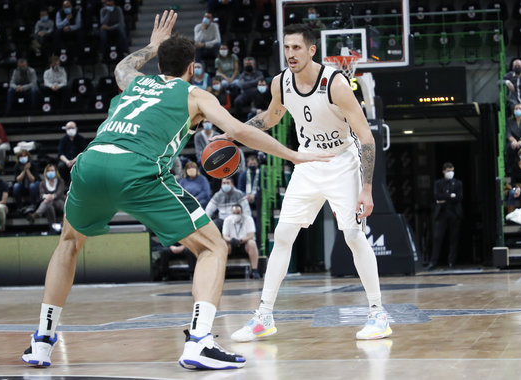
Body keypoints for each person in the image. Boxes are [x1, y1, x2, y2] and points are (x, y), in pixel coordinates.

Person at [19, 10, 330, 371]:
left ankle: (42, 340)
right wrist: (293, 154)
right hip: (136, 168)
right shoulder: (196, 95)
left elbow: (122, 66)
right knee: (213, 246)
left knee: (69, 243)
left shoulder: (132, 81)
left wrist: (151, 46)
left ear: (158, 62)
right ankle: (199, 342)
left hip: (91, 162)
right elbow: (240, 132)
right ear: (192, 67)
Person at [230, 24, 392, 343]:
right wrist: (234, 131)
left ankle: (378, 314)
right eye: (287, 48)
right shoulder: (281, 82)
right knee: (283, 234)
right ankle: (263, 316)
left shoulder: (336, 84)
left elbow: (367, 137)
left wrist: (367, 187)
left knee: (353, 235)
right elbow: (271, 117)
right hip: (306, 162)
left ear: (311, 50)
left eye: (296, 48)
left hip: (342, 162)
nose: (290, 54)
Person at [427, 162, 463, 270]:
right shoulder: (438, 183)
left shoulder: (458, 183)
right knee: (437, 238)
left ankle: (452, 262)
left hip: (454, 214)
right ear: (443, 171)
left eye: (452, 170)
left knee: (453, 239)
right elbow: (437, 196)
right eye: (448, 171)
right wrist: (450, 196)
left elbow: (459, 198)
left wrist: (445, 199)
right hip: (441, 214)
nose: (450, 173)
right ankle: (433, 262)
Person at [222, 204, 260, 279]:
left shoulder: (248, 219)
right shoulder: (227, 220)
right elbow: (224, 236)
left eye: (238, 213)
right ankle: (221, 271)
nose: (236, 215)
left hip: (244, 243)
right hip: (232, 244)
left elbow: (251, 235)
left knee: (252, 243)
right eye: (234, 213)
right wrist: (231, 240)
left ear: (242, 212)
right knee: (223, 244)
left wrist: (242, 240)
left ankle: (255, 270)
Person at [27, 164, 66, 233]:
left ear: (56, 171)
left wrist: (52, 196)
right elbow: (41, 194)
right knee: (49, 205)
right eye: (49, 171)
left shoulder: (60, 181)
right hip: (48, 203)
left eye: (52, 170)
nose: (50, 172)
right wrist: (46, 196)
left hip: (59, 202)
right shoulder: (43, 183)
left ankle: (35, 215)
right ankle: (53, 226)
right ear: (46, 172)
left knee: (48, 202)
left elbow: (59, 193)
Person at [57, 121, 88, 185]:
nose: (71, 130)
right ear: (66, 129)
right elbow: (60, 154)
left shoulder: (81, 139)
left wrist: (73, 161)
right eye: (69, 128)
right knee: (61, 166)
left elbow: (83, 152)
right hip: (66, 161)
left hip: (77, 160)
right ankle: (65, 184)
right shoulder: (63, 140)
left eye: (72, 128)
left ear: (76, 128)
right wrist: (67, 161)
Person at [506, 103, 521, 174]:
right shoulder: (509, 121)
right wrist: (514, 141)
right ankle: (510, 169)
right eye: (516, 109)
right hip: (514, 141)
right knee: (510, 147)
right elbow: (508, 132)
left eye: (520, 108)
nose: (518, 110)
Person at [506, 148, 521, 214]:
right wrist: (517, 188)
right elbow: (512, 180)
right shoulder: (515, 166)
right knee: (511, 193)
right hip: (516, 186)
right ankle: (510, 216)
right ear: (520, 155)